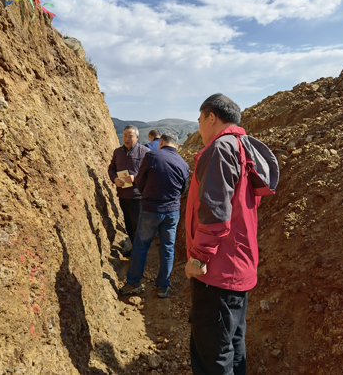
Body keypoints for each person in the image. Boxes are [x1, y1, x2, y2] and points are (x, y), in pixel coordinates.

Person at [184, 93, 278, 375]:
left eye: (200, 120)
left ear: (211, 117)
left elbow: (215, 213)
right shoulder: (242, 147)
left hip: (217, 271)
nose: (199, 127)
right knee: (233, 345)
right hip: (237, 268)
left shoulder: (219, 149)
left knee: (212, 354)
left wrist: (198, 258)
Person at [118, 132, 190, 298]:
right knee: (168, 248)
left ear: (161, 142)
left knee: (141, 246)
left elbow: (139, 181)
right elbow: (183, 188)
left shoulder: (152, 156)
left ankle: (134, 283)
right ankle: (163, 286)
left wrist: (147, 195)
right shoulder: (183, 163)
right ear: (176, 145)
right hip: (172, 212)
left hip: (151, 209)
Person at [108, 125, 150, 253]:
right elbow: (111, 169)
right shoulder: (117, 152)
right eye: (125, 135)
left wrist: (135, 177)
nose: (127, 139)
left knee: (138, 225)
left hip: (137, 196)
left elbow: (150, 171)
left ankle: (140, 254)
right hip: (123, 195)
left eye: (130, 136)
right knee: (128, 225)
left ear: (137, 137)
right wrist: (115, 179)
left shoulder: (144, 152)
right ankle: (135, 249)